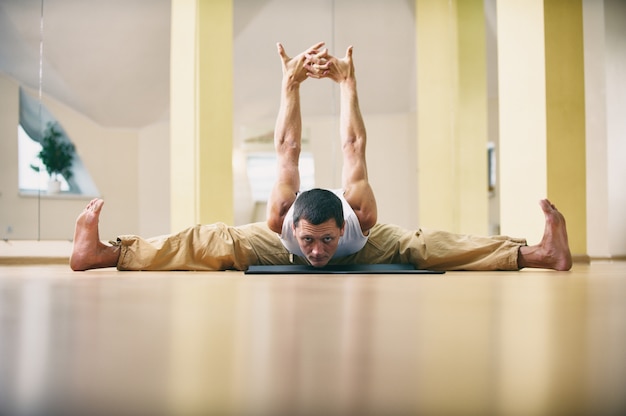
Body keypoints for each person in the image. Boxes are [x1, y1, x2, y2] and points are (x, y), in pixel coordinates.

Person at [69, 42, 572, 272]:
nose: (316, 253)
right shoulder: (281, 220)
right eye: (310, 241)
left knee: (425, 244)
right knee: (211, 237)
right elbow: (286, 147)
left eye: (325, 240)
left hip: (369, 247)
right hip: (273, 250)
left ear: (344, 226)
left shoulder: (362, 216)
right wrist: (290, 83)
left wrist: (348, 82)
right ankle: (107, 253)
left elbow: (354, 144)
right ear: (294, 225)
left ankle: (534, 254)